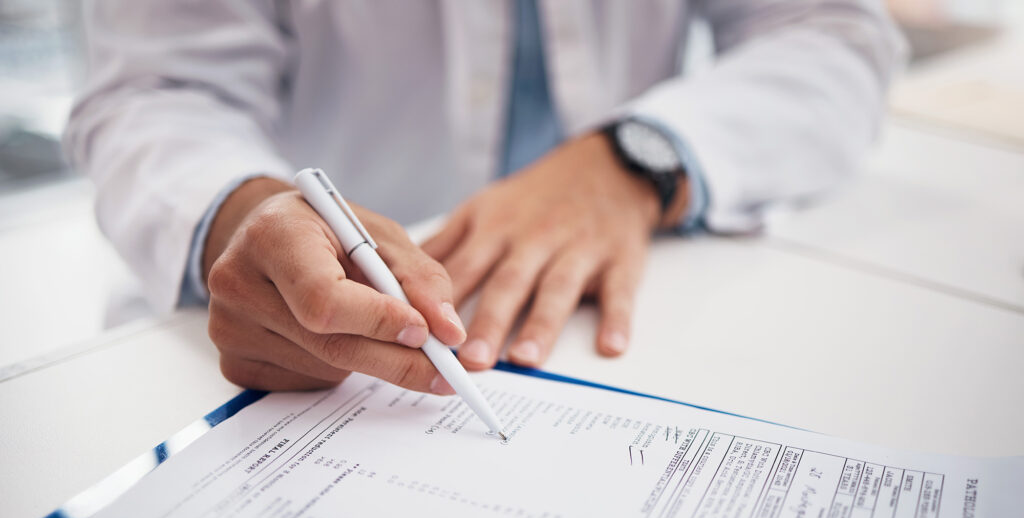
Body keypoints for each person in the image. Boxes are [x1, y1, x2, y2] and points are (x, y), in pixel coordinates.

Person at [66, 0, 904, 393]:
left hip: (634, 295)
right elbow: (153, 93)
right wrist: (243, 215)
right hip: (305, 341)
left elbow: (836, 35)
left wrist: (634, 159)